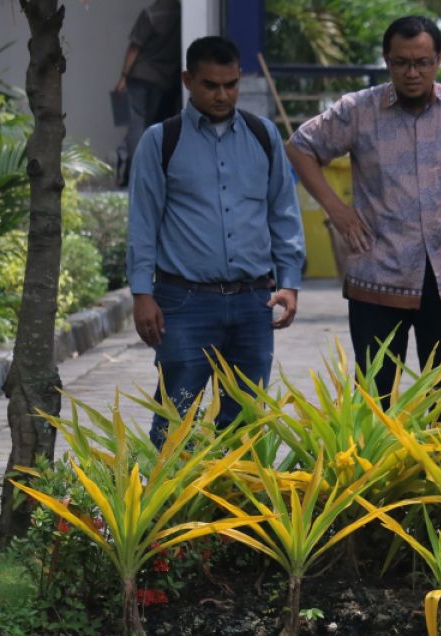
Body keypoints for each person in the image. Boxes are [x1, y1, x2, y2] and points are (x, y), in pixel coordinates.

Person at [287, 15, 441, 399]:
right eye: (401, 63)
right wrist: (336, 209)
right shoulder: (358, 110)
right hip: (377, 269)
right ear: (387, 60)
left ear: (439, 60)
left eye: (422, 63)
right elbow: (300, 146)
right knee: (377, 398)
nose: (412, 73)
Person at [128, 36, 304, 447]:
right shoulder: (161, 140)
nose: (222, 94)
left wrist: (290, 282)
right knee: (176, 419)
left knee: (245, 420)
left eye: (231, 84)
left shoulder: (265, 136)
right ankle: (174, 504)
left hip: (252, 302)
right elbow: (142, 222)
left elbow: (283, 213)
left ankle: (238, 504)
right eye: (210, 84)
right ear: (188, 80)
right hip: (183, 302)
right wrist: (141, 294)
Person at [114, 0, 182, 187]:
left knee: (136, 124)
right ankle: (142, 171)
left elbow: (134, 47)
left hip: (140, 75)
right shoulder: (180, 14)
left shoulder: (150, 14)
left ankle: (134, 173)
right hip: (163, 80)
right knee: (147, 125)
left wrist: (123, 77)